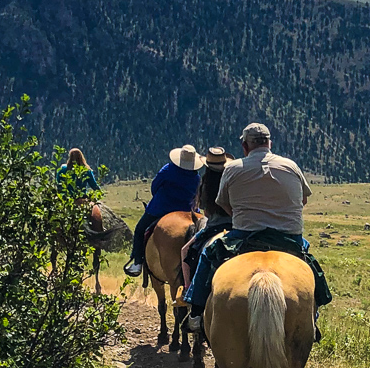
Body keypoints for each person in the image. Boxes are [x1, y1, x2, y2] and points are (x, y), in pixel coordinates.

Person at [180, 123, 332, 329]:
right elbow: (303, 200)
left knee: (207, 255)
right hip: (289, 236)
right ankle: (313, 313)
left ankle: (196, 311)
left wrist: (244, 215)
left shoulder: (233, 169)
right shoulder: (291, 166)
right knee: (309, 263)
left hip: (245, 235)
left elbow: (223, 203)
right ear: (269, 143)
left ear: (245, 146)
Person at [123, 144, 205, 278]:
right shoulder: (196, 177)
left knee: (139, 230)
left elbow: (155, 186)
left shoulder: (168, 169)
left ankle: (137, 263)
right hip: (188, 210)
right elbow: (197, 195)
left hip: (161, 208)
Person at [181, 146, 234, 292]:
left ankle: (188, 289)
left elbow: (206, 212)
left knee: (185, 251)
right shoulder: (232, 181)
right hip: (236, 226)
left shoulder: (205, 185)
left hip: (213, 227)